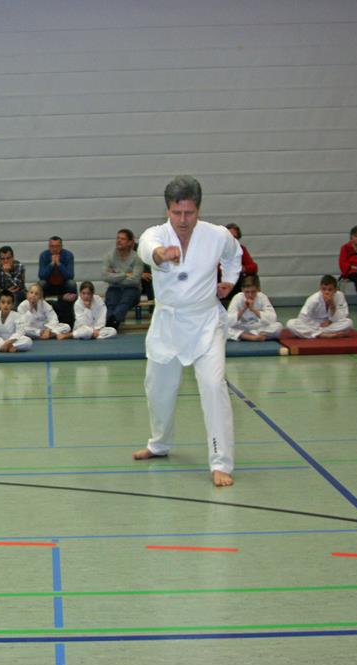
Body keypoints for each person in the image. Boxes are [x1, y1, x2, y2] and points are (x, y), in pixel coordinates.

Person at [133, 175, 241, 487]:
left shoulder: (216, 235)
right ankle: (159, 443)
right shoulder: (156, 235)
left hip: (206, 322)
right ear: (168, 209)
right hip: (167, 323)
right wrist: (160, 254)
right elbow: (146, 248)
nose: (183, 219)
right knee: (158, 389)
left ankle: (220, 462)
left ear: (198, 209)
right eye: (176, 212)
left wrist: (229, 281)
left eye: (189, 213)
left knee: (213, 386)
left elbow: (234, 255)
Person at [285, 275, 353, 339]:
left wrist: (332, 307)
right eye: (324, 289)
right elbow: (302, 318)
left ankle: (314, 333)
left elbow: (343, 315)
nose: (326, 292)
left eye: (330, 289)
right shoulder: (313, 299)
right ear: (320, 288)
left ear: (335, 289)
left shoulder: (340, 296)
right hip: (313, 324)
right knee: (291, 324)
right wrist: (318, 325)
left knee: (348, 323)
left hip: (330, 324)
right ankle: (322, 334)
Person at [101, 229, 143, 328]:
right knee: (111, 302)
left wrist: (115, 275)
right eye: (118, 238)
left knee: (125, 300)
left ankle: (112, 322)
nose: (119, 241)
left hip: (132, 289)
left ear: (130, 242)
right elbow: (105, 276)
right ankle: (112, 323)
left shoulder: (137, 258)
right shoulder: (109, 256)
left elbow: (135, 280)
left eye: (123, 239)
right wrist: (125, 274)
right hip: (114, 288)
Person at [226, 275, 282, 341]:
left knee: (278, 326)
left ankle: (249, 336)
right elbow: (228, 320)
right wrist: (243, 309)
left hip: (258, 326)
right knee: (222, 327)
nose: (250, 295)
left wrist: (254, 310)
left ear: (258, 290)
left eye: (253, 292)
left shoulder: (262, 297)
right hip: (243, 326)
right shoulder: (237, 298)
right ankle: (253, 337)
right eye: (247, 292)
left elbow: (272, 318)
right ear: (242, 289)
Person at [38, 236, 77, 324]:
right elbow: (42, 276)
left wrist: (59, 264)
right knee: (41, 284)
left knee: (71, 284)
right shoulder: (44, 255)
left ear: (61, 246)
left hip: (63, 284)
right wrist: (51, 264)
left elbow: (70, 276)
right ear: (49, 247)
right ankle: (40, 314)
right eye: (52, 246)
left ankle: (71, 314)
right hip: (49, 285)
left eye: (57, 246)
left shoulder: (68, 255)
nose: (55, 249)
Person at [0, 245, 26, 321]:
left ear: (13, 257)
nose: (5, 261)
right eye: (3, 259)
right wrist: (4, 291)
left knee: (14, 296)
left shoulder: (19, 266)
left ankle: (14, 322)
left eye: (8, 258)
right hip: (2, 291)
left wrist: (6, 273)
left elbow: (17, 286)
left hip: (18, 292)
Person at [222, 223, 258, 305]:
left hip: (236, 280)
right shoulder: (217, 249)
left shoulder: (241, 249)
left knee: (249, 277)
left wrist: (242, 268)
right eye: (229, 237)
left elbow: (253, 267)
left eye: (235, 237)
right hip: (219, 280)